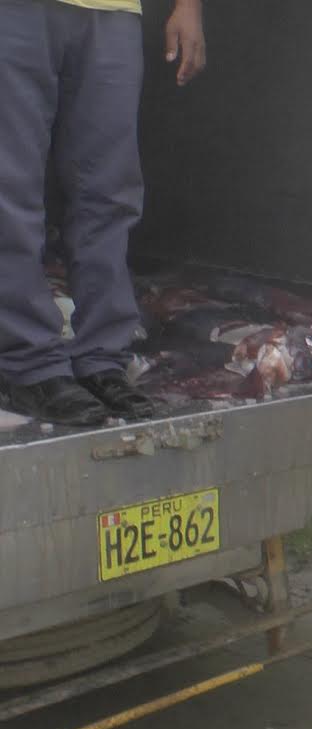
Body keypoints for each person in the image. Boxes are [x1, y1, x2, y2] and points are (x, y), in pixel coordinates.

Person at [0, 0, 206, 425]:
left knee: (109, 191)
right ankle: (28, 365)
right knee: (11, 188)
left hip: (111, 10)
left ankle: (101, 359)